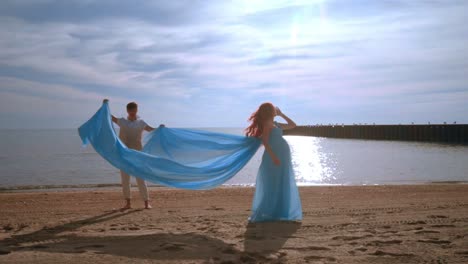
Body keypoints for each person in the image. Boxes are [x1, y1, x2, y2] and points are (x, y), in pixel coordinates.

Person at [245, 102, 302, 222]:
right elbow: (265, 141)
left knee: (282, 181)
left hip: (283, 156)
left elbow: (293, 125)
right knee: (272, 183)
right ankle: (269, 212)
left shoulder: (276, 124)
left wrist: (282, 114)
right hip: (274, 157)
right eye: (274, 109)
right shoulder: (267, 124)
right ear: (269, 111)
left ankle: (280, 212)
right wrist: (273, 157)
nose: (276, 110)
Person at [103, 99, 159, 209]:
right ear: (127, 111)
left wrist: (160, 128)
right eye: (130, 111)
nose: (132, 113)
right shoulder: (122, 121)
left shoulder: (141, 123)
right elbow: (110, 117)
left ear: (137, 110)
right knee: (125, 179)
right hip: (123, 154)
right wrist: (105, 105)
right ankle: (128, 203)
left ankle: (146, 202)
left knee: (140, 178)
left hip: (138, 153)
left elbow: (152, 130)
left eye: (134, 111)